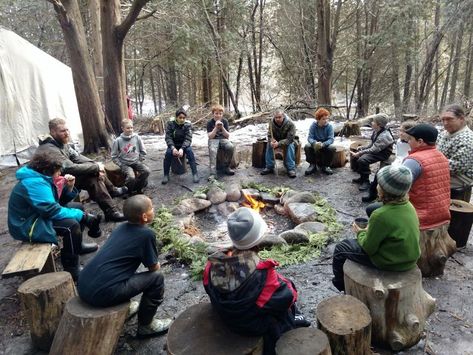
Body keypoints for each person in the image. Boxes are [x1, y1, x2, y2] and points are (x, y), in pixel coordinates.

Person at [203, 207, 310, 355]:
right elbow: (288, 297)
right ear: (258, 239)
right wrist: (287, 283)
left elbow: (208, 289)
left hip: (226, 315)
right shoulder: (264, 276)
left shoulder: (211, 265)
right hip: (249, 325)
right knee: (283, 313)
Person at [78, 195, 172, 338]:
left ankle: (125, 308)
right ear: (144, 217)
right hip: (101, 294)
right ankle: (146, 326)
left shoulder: (121, 228)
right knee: (157, 279)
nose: (154, 210)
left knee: (120, 272)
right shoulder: (147, 234)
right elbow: (154, 268)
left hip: (83, 284)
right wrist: (154, 260)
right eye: (151, 208)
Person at [8, 151, 102, 280]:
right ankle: (71, 268)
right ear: (48, 170)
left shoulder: (42, 177)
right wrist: (84, 217)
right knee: (71, 226)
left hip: (38, 215)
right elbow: (52, 211)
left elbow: (59, 202)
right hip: (27, 224)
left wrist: (69, 187)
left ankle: (77, 246)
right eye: (58, 171)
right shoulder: (34, 183)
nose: (60, 174)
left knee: (77, 207)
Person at [332, 165, 420, 292]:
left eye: (379, 184)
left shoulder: (380, 216)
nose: (376, 186)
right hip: (409, 257)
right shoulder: (409, 205)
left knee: (341, 248)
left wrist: (360, 232)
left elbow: (368, 248)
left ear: (384, 190)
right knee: (372, 208)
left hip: (391, 262)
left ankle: (341, 285)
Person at [36, 118, 127, 221]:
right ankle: (111, 211)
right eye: (62, 131)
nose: (67, 133)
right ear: (52, 132)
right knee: (92, 178)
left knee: (93, 170)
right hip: (51, 185)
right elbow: (69, 167)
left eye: (67, 130)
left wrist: (95, 164)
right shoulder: (50, 148)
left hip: (62, 177)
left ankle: (112, 191)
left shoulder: (60, 143)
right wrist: (96, 168)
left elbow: (76, 157)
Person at [361, 120, 416, 203]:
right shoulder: (399, 141)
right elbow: (398, 154)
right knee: (379, 173)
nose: (400, 133)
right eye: (400, 130)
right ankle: (373, 195)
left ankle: (386, 197)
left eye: (403, 131)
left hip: (406, 164)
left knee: (388, 177)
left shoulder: (412, 143)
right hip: (397, 161)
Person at [437, 104, 473, 202]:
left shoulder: (467, 139)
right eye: (443, 120)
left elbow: (456, 167)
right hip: (442, 182)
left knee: (456, 215)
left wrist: (432, 162)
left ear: (461, 118)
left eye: (449, 119)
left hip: (458, 187)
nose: (445, 123)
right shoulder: (444, 133)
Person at [350, 114, 394, 191]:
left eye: (374, 121)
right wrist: (363, 148)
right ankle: (362, 177)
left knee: (363, 159)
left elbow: (374, 150)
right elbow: (372, 144)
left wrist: (360, 153)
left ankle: (366, 181)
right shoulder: (376, 131)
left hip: (383, 154)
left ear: (379, 124)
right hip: (377, 150)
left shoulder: (384, 136)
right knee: (359, 153)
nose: (371, 123)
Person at [111, 119, 150, 195]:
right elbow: (114, 156)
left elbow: (143, 150)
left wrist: (141, 159)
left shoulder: (137, 137)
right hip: (125, 164)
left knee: (146, 171)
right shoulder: (118, 141)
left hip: (136, 161)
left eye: (131, 127)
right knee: (131, 177)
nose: (130, 130)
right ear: (122, 128)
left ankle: (139, 187)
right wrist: (120, 164)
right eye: (128, 128)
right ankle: (128, 191)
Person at [162, 108, 199, 184]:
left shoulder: (187, 125)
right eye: (180, 118)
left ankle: (195, 174)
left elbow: (188, 138)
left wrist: (182, 148)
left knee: (190, 152)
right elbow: (168, 137)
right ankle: (166, 174)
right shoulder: (170, 124)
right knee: (168, 154)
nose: (182, 119)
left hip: (184, 145)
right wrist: (172, 147)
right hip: (173, 145)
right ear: (176, 117)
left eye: (183, 118)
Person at [260, 109, 297, 178]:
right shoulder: (271, 123)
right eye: (276, 117)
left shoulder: (290, 124)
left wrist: (279, 143)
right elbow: (269, 134)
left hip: (288, 140)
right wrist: (271, 140)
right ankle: (269, 166)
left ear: (283, 116)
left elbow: (290, 139)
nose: (277, 119)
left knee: (290, 145)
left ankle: (291, 168)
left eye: (279, 117)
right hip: (276, 139)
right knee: (269, 145)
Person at [207, 104, 235, 180]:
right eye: (216, 113)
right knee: (212, 150)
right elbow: (210, 137)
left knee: (231, 147)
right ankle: (213, 173)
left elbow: (227, 136)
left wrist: (222, 127)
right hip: (213, 140)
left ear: (222, 114)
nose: (218, 115)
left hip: (223, 139)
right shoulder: (210, 122)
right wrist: (216, 128)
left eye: (220, 114)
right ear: (213, 114)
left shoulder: (225, 121)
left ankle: (226, 167)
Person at [304, 108, 335, 176]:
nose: (326, 120)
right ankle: (312, 165)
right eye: (323, 119)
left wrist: (324, 144)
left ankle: (326, 166)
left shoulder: (329, 126)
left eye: (327, 118)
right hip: (315, 143)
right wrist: (314, 143)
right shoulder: (313, 126)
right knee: (307, 146)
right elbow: (310, 137)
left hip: (325, 144)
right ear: (318, 119)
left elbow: (331, 139)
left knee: (332, 148)